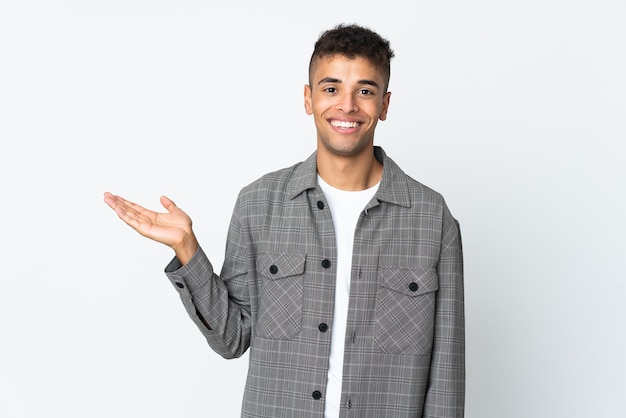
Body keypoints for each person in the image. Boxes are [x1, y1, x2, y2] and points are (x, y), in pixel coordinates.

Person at [104, 23, 464, 418]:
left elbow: (445, 377)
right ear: (308, 99)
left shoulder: (433, 220)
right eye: (331, 89)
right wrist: (187, 251)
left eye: (365, 90)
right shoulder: (259, 205)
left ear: (385, 104)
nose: (347, 105)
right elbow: (232, 338)